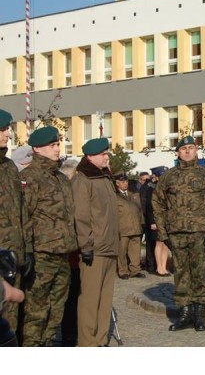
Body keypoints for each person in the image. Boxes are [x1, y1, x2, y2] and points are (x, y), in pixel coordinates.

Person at [152, 136, 205, 332]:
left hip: (199, 233)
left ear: (196, 151)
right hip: (176, 233)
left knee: (200, 274)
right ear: (178, 152)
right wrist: (163, 232)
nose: (187, 151)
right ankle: (185, 314)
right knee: (181, 274)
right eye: (183, 148)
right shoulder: (168, 176)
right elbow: (157, 204)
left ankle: (200, 316)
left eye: (191, 148)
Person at [19, 126, 78, 346]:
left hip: (63, 253)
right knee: (36, 311)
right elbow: (24, 217)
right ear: (37, 148)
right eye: (52, 145)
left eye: (57, 144)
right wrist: (27, 253)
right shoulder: (29, 178)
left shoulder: (61, 179)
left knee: (57, 309)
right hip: (41, 255)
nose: (57, 149)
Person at [72, 137, 119, 347]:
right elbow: (80, 216)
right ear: (90, 157)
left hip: (109, 247)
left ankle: (100, 340)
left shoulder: (105, 178)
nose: (106, 157)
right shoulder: (83, 180)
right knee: (90, 300)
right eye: (102, 154)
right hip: (95, 249)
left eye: (107, 154)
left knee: (105, 299)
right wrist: (86, 245)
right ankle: (87, 343)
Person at [0, 109, 30, 339]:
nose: (6, 134)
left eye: (7, 129)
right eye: (1, 130)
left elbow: (20, 211)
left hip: (14, 255)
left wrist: (25, 249)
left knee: (13, 321)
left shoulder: (9, 167)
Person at [58, 158, 80, 347]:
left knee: (74, 297)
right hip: (68, 255)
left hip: (76, 254)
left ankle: (71, 333)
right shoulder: (66, 195)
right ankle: (68, 335)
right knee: (69, 299)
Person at [114, 172, 146, 279]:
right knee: (121, 251)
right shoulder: (115, 196)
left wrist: (142, 223)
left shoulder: (133, 195)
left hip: (135, 227)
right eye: (123, 182)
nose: (125, 184)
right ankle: (123, 270)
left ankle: (135, 270)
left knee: (135, 250)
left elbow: (139, 210)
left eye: (126, 181)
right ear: (117, 183)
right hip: (122, 228)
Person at [145, 166, 171, 276]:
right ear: (157, 176)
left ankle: (164, 267)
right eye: (161, 175)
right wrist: (152, 222)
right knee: (159, 243)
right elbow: (149, 207)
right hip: (157, 220)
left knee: (165, 243)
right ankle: (159, 267)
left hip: (167, 219)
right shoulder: (152, 189)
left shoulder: (167, 188)